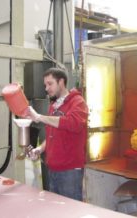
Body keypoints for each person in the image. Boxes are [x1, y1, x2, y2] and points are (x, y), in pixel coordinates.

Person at [26, 67, 88, 201]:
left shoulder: (77, 102)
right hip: (53, 169)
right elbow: (52, 136)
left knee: (71, 212)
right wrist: (39, 149)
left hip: (70, 171)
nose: (46, 88)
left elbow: (73, 124)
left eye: (50, 84)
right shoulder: (54, 106)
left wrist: (39, 117)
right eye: (45, 85)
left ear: (61, 82)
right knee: (57, 210)